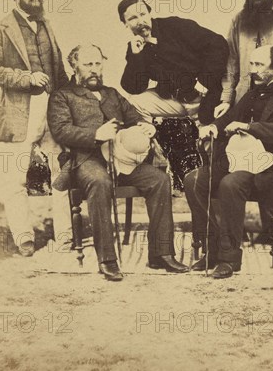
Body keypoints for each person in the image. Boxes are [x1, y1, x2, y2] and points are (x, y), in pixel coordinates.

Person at [47, 43, 189, 281]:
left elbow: (134, 118)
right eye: (87, 64)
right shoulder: (62, 96)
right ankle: (107, 259)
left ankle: (161, 254)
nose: (94, 69)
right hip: (86, 160)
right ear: (74, 66)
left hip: (121, 158)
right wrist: (95, 135)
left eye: (97, 63)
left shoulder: (112, 93)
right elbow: (61, 131)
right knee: (100, 182)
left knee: (159, 180)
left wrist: (147, 127)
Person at [184, 45, 273, 279]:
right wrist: (212, 127)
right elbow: (232, 116)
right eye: (251, 64)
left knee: (230, 184)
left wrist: (250, 127)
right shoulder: (254, 91)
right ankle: (213, 248)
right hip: (237, 158)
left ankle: (229, 259)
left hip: (265, 165)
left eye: (259, 65)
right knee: (193, 180)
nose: (253, 70)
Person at [0, 0, 70, 257]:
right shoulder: (0, 29)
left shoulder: (47, 25)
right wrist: (26, 77)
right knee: (15, 178)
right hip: (20, 112)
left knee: (62, 174)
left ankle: (66, 238)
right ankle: (24, 238)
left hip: (52, 110)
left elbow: (59, 71)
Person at [119, 0, 229, 122]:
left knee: (207, 129)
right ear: (125, 24)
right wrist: (136, 56)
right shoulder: (134, 47)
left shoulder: (174, 26)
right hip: (172, 100)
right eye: (133, 18)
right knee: (133, 103)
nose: (140, 21)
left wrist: (204, 81)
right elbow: (134, 88)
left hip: (202, 96)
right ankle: (152, 138)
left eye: (142, 14)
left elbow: (218, 44)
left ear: (149, 13)